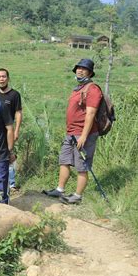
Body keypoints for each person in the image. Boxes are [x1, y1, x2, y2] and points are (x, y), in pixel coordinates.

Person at [43, 59, 102, 204]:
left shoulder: (93, 89)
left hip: (83, 134)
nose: (80, 71)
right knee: (64, 161)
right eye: (78, 68)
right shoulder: (78, 88)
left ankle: (77, 196)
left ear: (90, 72)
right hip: (71, 133)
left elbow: (90, 114)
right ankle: (59, 190)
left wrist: (83, 136)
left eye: (84, 69)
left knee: (82, 166)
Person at [0, 68, 22, 192]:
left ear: (8, 78)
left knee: (9, 154)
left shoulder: (14, 95)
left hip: (9, 131)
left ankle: (11, 184)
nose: (1, 79)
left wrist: (16, 130)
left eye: (4, 76)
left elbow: (18, 113)